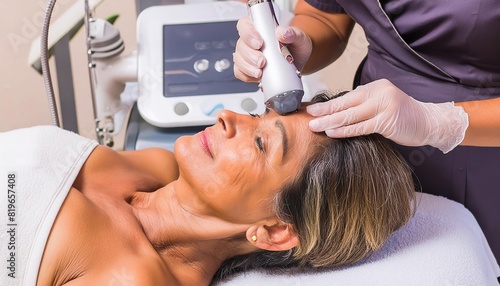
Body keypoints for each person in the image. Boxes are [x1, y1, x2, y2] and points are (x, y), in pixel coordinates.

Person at [0, 93, 416, 285]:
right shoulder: (156, 168)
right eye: (257, 114)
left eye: (259, 143)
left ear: (274, 231)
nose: (229, 116)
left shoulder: (135, 279)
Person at [232, 0, 500, 265]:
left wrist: (439, 121)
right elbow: (325, 16)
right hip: (374, 133)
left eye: (262, 143)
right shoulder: (343, 176)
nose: (226, 118)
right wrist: (296, 47)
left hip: (484, 145)